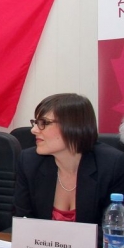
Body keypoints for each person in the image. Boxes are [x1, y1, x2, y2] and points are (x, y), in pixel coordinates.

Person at [14, 94, 124, 229]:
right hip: (42, 243)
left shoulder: (112, 165)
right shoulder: (29, 161)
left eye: (43, 123)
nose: (34, 130)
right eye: (35, 123)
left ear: (73, 126)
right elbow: (22, 221)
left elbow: (113, 229)